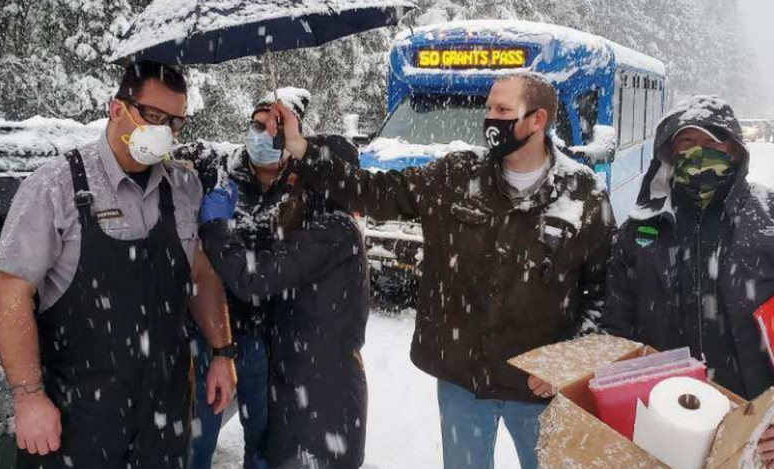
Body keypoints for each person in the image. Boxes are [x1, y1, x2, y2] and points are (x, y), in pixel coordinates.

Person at [268, 72, 614, 469]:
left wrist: (566, 366)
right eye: (488, 108)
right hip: (463, 383)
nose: (490, 119)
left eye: (503, 110)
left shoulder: (583, 194)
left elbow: (603, 292)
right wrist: (299, 146)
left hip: (539, 390)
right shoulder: (455, 176)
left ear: (537, 120)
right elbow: (373, 191)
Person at [0, 61, 237, 469]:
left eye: (175, 122)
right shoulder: (56, 187)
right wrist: (29, 395)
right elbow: (9, 292)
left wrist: (222, 352)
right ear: (117, 108)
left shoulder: (184, 188)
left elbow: (201, 275)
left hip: (164, 416)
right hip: (79, 419)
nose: (164, 131)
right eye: (153, 116)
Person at [187, 87, 364, 469]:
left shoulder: (316, 207)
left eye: (276, 126)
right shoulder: (220, 175)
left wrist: (217, 228)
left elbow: (262, 277)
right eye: (257, 123)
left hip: (277, 349)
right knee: (197, 442)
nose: (263, 133)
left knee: (269, 449)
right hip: (217, 338)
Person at [601, 95, 774, 468]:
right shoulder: (640, 226)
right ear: (670, 151)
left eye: (714, 142)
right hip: (664, 416)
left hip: (755, 424)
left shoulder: (768, 216)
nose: (701, 153)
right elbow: (615, 327)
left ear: (735, 149)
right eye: (688, 142)